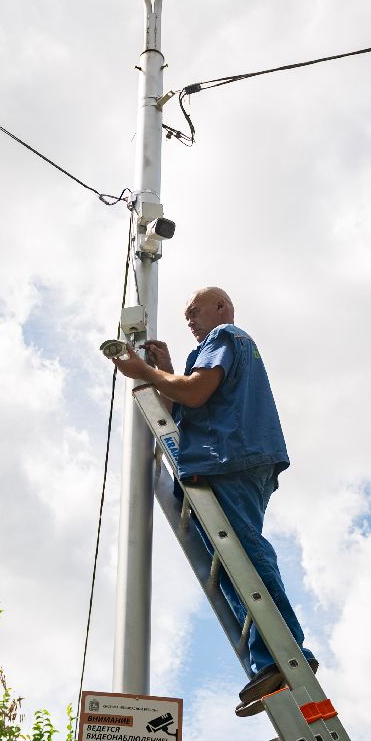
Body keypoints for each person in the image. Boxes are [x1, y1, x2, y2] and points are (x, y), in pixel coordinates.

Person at [110, 286, 317, 716]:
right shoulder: (207, 354)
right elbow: (185, 400)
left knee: (241, 547)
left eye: (194, 310)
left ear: (221, 306)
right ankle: (271, 659)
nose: (189, 320)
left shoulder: (225, 337)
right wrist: (165, 369)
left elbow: (195, 392)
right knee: (228, 559)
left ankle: (289, 648)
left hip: (232, 457)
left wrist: (141, 372)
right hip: (231, 457)